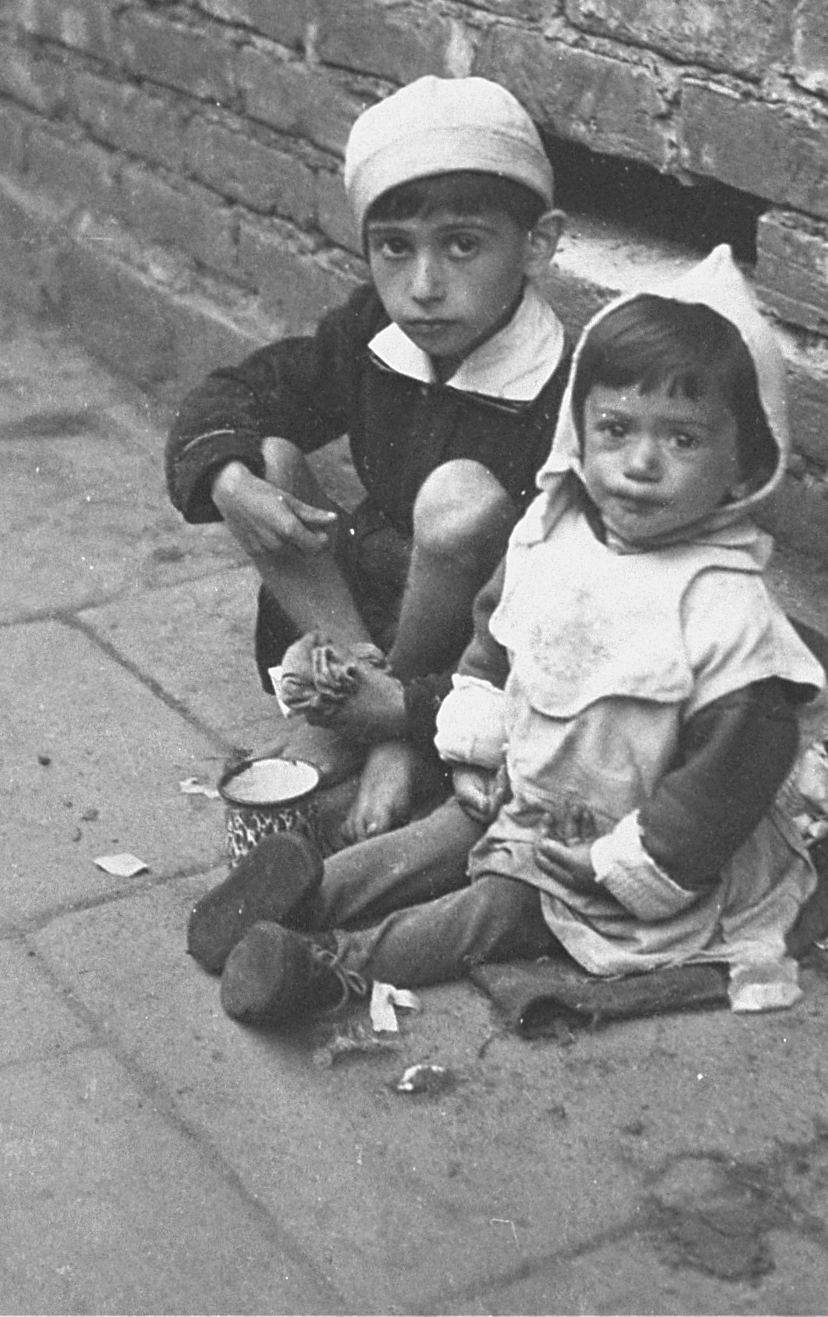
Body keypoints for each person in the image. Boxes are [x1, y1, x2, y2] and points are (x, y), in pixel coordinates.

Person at [187, 246, 828, 1026]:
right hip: (530, 784)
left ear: (744, 466)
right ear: (579, 433)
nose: (639, 463)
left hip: (617, 841)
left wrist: (627, 865)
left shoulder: (727, 619)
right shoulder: (554, 534)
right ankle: (306, 890)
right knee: (446, 830)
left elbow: (724, 784)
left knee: (496, 907)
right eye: (614, 428)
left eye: (682, 440)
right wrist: (474, 746)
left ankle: (331, 966)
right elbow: (494, 641)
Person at [165, 75, 569, 845]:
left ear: (537, 244)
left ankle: (389, 730)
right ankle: (355, 704)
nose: (422, 287)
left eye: (462, 245)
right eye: (394, 248)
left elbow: (543, 603)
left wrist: (420, 710)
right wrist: (229, 479)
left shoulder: (566, 389)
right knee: (269, 455)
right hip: (363, 613)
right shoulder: (373, 332)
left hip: (472, 651)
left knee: (461, 499)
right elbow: (238, 393)